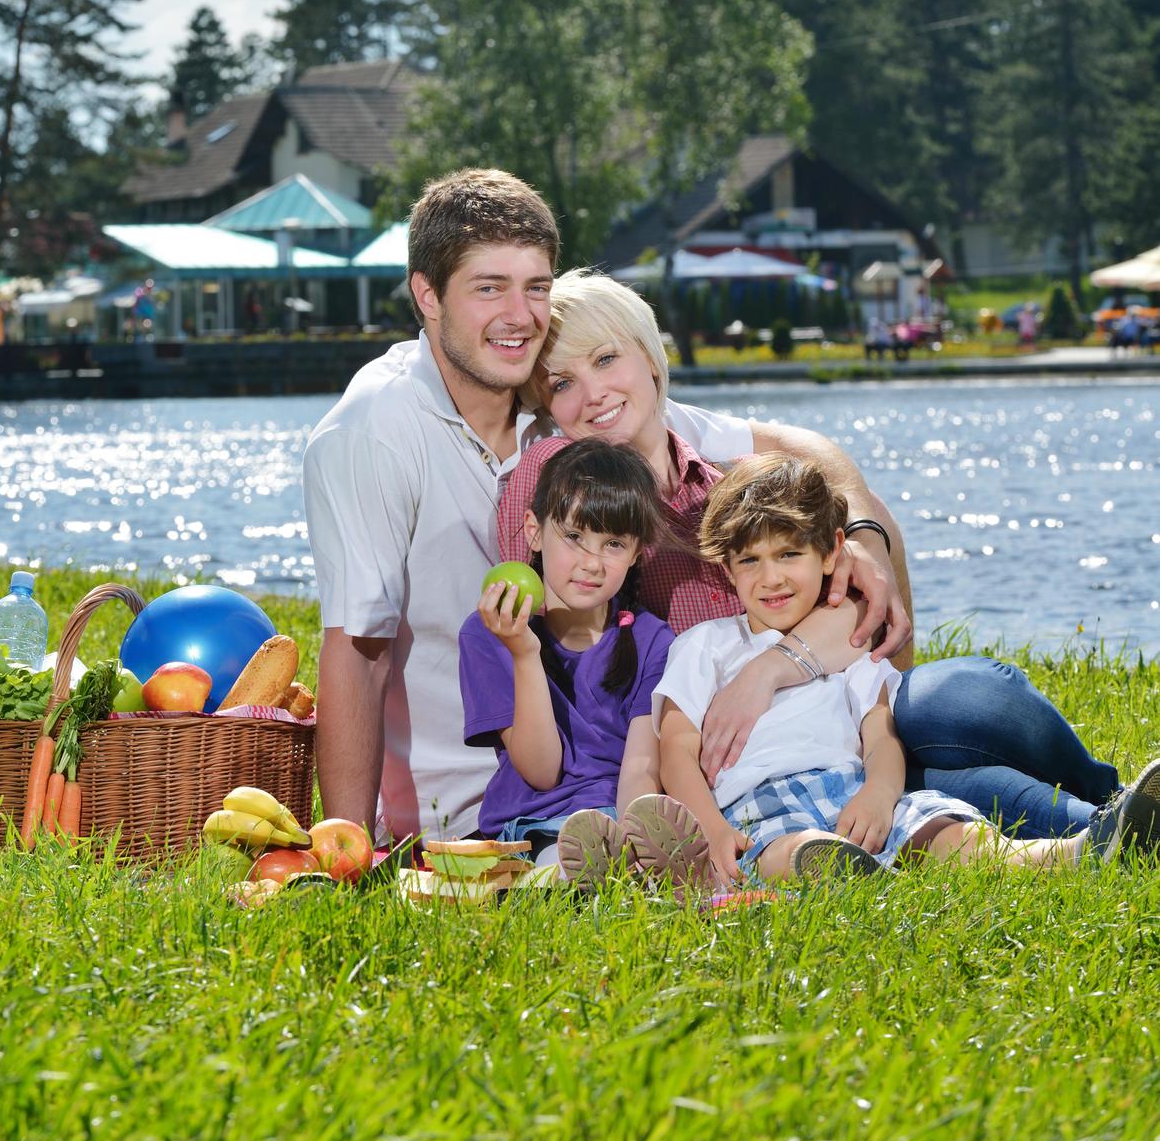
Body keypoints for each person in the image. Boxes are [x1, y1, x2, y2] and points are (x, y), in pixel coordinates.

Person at [305, 173, 910, 845]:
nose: (519, 314)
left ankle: (968, 795)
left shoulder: (567, 421)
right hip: (485, 796)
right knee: (965, 724)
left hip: (721, 753)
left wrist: (862, 535)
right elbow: (358, 647)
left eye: (535, 286)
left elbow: (801, 447)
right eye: (488, 288)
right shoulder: (378, 430)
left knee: (971, 705)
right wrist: (344, 848)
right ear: (427, 296)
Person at [500, 267, 1122, 840]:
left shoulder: (725, 484)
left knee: (958, 703)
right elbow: (546, 630)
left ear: (652, 358)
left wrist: (772, 664)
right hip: (729, 766)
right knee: (938, 764)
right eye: (561, 383)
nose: (592, 394)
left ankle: (1110, 803)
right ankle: (1106, 823)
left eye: (607, 358)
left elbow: (851, 591)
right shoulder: (557, 482)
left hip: (829, 712)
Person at [646, 455, 1160, 887]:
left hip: (848, 787)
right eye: (750, 561)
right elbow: (676, 748)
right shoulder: (706, 645)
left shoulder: (845, 643)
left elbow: (881, 737)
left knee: (947, 830)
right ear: (727, 567)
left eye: (789, 554)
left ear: (830, 552)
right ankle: (827, 869)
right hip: (760, 800)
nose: (771, 577)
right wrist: (709, 827)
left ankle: (1074, 853)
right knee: (788, 848)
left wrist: (878, 792)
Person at [459, 440, 672, 867]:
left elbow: (639, 769)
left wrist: (635, 835)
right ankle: (580, 869)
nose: (592, 563)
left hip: (618, 816)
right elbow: (541, 772)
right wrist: (524, 654)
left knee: (626, 843)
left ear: (635, 554)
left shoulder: (652, 639)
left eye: (613, 544)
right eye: (574, 536)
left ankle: (632, 863)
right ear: (535, 532)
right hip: (533, 824)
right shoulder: (489, 635)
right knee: (561, 856)